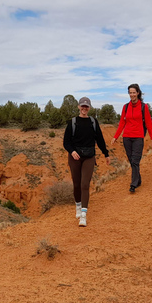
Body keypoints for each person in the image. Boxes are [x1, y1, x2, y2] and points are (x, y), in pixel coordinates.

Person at [62, 97, 110, 227]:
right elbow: (66, 142)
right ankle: (78, 205)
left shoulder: (93, 122)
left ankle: (83, 215)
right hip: (75, 157)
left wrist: (106, 153)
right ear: (78, 107)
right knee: (76, 184)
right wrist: (72, 151)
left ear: (89, 108)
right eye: (82, 106)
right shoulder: (72, 122)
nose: (84, 108)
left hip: (89, 157)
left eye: (86, 106)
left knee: (85, 184)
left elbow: (99, 139)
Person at [111, 84, 152, 193]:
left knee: (135, 161)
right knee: (132, 161)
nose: (132, 95)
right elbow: (122, 122)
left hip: (138, 137)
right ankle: (138, 179)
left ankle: (133, 184)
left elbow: (149, 123)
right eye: (130, 93)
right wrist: (115, 136)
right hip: (127, 137)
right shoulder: (125, 107)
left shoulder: (143, 107)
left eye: (134, 92)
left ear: (138, 93)